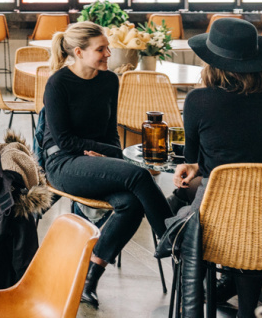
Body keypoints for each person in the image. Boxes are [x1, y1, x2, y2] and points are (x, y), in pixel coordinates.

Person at [41, 21, 173, 309]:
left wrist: (109, 154)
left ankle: (89, 278)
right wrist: (106, 153)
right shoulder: (58, 83)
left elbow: (110, 132)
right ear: (79, 51)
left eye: (107, 48)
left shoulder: (110, 81)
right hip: (64, 164)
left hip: (97, 161)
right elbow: (64, 141)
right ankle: (172, 239)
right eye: (101, 49)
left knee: (131, 203)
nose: (108, 53)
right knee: (139, 176)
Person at [172, 18, 262, 318]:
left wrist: (196, 169)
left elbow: (194, 159)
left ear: (211, 63)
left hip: (218, 224)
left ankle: (204, 289)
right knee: (254, 225)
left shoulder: (199, 101)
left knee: (187, 209)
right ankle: (246, 309)